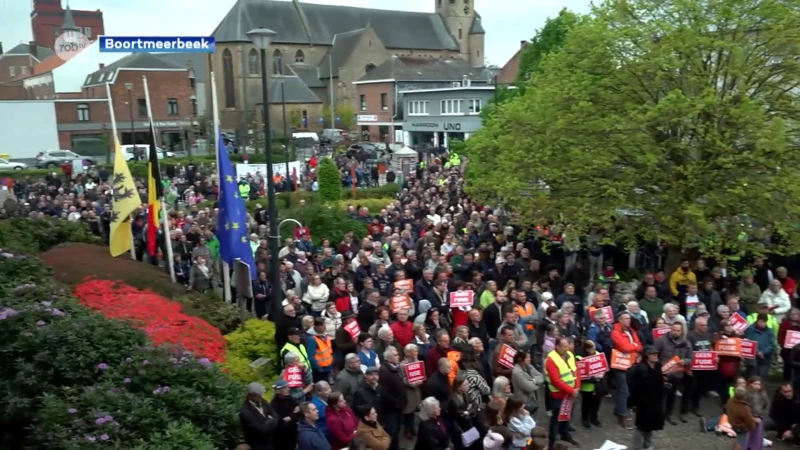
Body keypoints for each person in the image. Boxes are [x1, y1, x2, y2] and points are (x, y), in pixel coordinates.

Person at [544, 336, 580, 449]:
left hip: (571, 394)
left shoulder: (569, 355)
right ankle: (552, 442)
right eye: (564, 346)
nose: (567, 348)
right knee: (556, 419)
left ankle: (565, 435)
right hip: (558, 395)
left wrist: (577, 387)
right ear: (557, 346)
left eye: (568, 346)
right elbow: (556, 381)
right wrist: (572, 390)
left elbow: (576, 371)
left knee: (567, 415)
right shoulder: (551, 360)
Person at [655, 322, 693, 424]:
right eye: (674, 330)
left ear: (681, 331)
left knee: (672, 396)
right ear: (670, 329)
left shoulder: (687, 343)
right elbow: (654, 355)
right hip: (663, 374)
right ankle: (657, 415)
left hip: (677, 374)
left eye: (678, 330)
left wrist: (684, 361)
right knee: (660, 396)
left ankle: (669, 414)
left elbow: (690, 358)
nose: (675, 332)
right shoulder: (661, 340)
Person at [629, 346, 665, 450]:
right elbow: (636, 387)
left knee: (651, 425)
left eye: (656, 354)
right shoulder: (641, 368)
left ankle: (647, 445)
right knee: (641, 426)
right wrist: (633, 402)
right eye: (652, 354)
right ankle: (637, 447)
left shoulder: (658, 366)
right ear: (646, 355)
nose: (655, 356)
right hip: (644, 401)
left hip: (655, 400)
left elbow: (659, 381)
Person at [240, 382, 278, 450]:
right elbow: (261, 429)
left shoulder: (263, 401)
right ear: (249, 395)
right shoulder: (245, 412)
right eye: (257, 395)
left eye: (261, 394)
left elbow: (275, 416)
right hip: (258, 445)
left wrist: (270, 423)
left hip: (270, 442)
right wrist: (270, 420)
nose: (260, 396)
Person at [576, 340, 604, 429]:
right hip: (587, 385)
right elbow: (581, 372)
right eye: (592, 348)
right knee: (586, 403)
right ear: (587, 349)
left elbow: (602, 365)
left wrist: (602, 373)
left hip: (597, 384)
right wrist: (593, 377)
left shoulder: (597, 354)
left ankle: (594, 418)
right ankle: (585, 419)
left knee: (597, 402)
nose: (594, 349)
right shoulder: (580, 357)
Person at [271, 379, 300, 450]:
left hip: (293, 433)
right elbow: (280, 421)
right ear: (278, 391)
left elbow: (298, 410)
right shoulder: (273, 405)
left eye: (287, 387)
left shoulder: (290, 398)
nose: (288, 389)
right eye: (284, 387)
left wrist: (290, 417)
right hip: (281, 438)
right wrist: (293, 415)